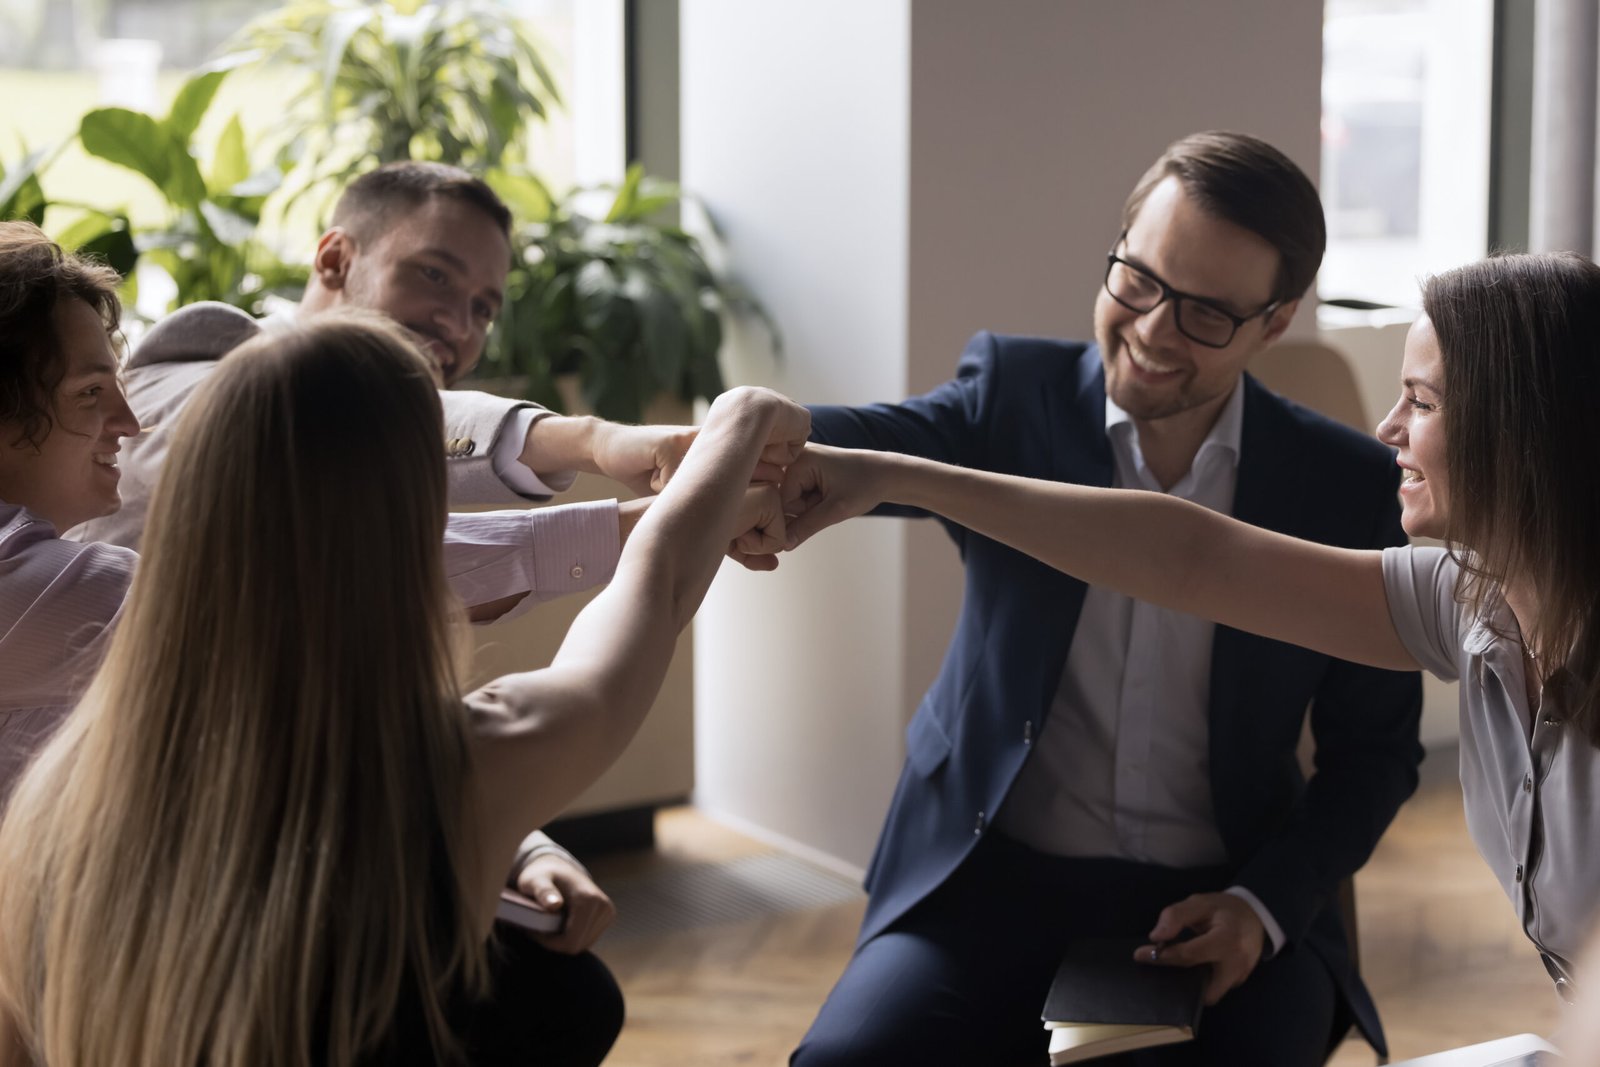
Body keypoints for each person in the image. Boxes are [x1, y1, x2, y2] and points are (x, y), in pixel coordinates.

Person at [784, 250, 1600, 1017]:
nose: (1388, 428)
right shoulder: (1466, 602)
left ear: (1521, 431)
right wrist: (888, 474)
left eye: (1421, 403)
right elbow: (1192, 557)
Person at [0, 311, 808, 1066]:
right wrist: (737, 419)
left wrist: (521, 845)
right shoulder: (451, 773)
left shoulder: (53, 797)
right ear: (405, 520)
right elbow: (658, 583)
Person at [786, 131, 1423, 1066]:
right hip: (984, 879)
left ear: (1274, 324)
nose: (1156, 329)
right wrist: (737, 432)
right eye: (1141, 279)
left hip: (1221, 895)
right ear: (1121, 244)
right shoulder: (1011, 397)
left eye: (1208, 314)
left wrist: (1261, 908)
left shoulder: (1347, 490)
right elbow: (847, 448)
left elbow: (1373, 756)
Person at [0, 221, 619, 1062]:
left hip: (123, 943)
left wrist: (518, 840)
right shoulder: (34, 588)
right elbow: (324, 582)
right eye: (87, 394)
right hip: (94, 983)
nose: (127, 419)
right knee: (552, 998)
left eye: (484, 305)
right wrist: (664, 511)